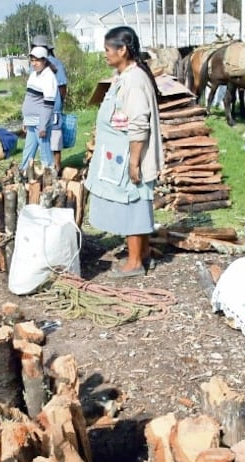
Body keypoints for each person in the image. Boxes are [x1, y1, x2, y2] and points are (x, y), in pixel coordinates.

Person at [84, 26, 164, 278]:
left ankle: (135, 262)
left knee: (133, 205)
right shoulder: (123, 77)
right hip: (117, 158)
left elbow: (139, 123)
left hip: (129, 157)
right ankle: (144, 251)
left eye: (108, 49)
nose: (105, 54)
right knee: (133, 202)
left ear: (122, 50)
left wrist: (134, 162)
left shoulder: (134, 80)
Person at [31, 35, 68, 173]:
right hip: (50, 107)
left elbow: (32, 89)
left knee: (46, 138)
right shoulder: (55, 63)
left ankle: (51, 169)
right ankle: (54, 168)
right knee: (53, 139)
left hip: (43, 107)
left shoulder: (38, 64)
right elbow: (62, 87)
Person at [19, 46, 58, 173]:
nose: (34, 63)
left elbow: (49, 104)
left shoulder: (49, 77)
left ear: (44, 60)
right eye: (32, 60)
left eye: (37, 60)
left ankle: (50, 176)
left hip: (40, 121)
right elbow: (28, 98)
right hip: (30, 120)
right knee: (28, 150)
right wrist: (25, 120)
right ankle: (23, 173)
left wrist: (43, 125)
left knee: (45, 152)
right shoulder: (33, 75)